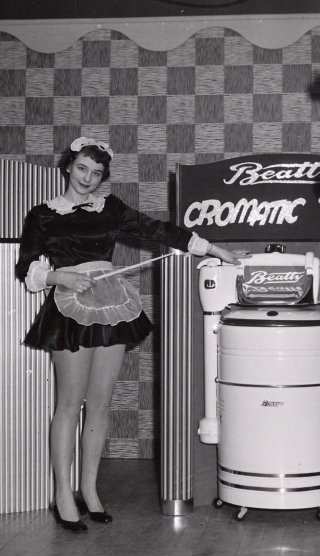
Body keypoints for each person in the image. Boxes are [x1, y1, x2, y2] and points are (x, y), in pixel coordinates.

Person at [15, 136, 239, 533]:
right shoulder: (43, 214)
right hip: (69, 307)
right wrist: (59, 276)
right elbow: (27, 268)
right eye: (82, 168)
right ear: (68, 167)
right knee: (69, 404)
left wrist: (212, 249)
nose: (87, 178)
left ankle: (89, 489)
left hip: (111, 305)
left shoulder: (111, 208)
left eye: (96, 172)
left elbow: (157, 230)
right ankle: (63, 493)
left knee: (101, 405)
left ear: (103, 177)